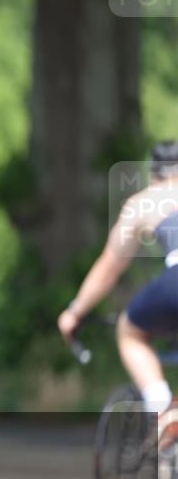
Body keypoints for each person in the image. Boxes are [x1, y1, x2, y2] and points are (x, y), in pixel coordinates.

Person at [58, 140, 178, 445]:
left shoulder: (146, 200)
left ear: (155, 174)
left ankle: (163, 409)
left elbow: (109, 267)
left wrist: (75, 312)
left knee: (130, 331)